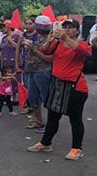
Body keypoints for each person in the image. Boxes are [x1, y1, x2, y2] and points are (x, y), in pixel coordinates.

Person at [28, 19, 92, 161]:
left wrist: (64, 37)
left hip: (75, 87)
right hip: (57, 85)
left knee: (75, 119)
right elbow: (44, 51)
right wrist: (50, 40)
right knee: (53, 117)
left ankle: (77, 149)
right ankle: (45, 143)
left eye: (71, 27)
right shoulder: (58, 43)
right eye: (65, 27)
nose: (67, 29)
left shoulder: (82, 44)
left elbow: (82, 51)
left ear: (77, 30)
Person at [23, 16, 53, 132]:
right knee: (32, 97)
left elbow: (48, 57)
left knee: (47, 98)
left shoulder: (50, 39)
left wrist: (33, 49)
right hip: (32, 69)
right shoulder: (36, 36)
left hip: (43, 70)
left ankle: (50, 125)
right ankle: (39, 122)